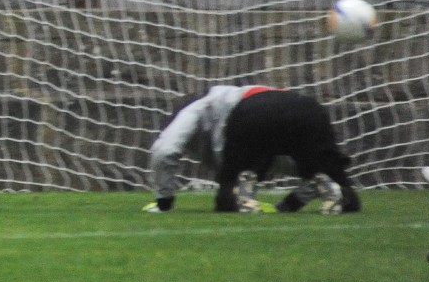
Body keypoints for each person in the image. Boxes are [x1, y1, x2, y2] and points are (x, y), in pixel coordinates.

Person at [144, 85, 361, 214]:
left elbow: (165, 150)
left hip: (253, 113)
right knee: (325, 172)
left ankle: (239, 195)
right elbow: (299, 169)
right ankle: (340, 195)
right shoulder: (230, 96)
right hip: (309, 109)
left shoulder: (199, 105)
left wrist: (164, 201)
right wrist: (287, 206)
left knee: (227, 198)